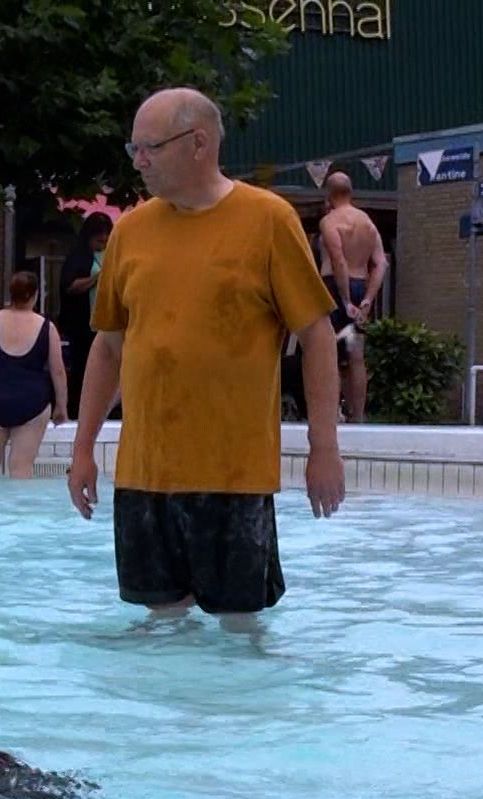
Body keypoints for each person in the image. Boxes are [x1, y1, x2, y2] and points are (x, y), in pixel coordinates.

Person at [68, 89, 345, 623]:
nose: (139, 161)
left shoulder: (269, 220)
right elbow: (108, 348)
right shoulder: (130, 231)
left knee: (239, 631)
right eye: (134, 150)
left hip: (233, 474)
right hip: (145, 473)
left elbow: (317, 337)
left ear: (198, 143)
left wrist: (323, 449)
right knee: (161, 627)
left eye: (149, 148)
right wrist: (83, 449)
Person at [0, 271, 67, 479]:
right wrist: (61, 406)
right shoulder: (47, 328)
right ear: (35, 295)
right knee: (21, 469)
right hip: (32, 402)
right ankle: (20, 512)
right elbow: (58, 372)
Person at [317, 172, 386, 423]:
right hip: (360, 286)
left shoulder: (330, 222)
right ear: (350, 192)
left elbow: (338, 260)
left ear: (329, 194)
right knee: (356, 354)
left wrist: (345, 300)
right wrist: (367, 298)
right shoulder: (367, 223)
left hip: (334, 288)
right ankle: (358, 416)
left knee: (331, 354)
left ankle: (332, 414)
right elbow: (380, 263)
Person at [57, 212, 113, 420]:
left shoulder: (107, 255)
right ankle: (77, 406)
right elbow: (70, 286)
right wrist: (97, 278)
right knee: (82, 366)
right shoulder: (78, 257)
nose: (103, 244)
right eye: (99, 240)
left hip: (103, 324)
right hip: (81, 324)